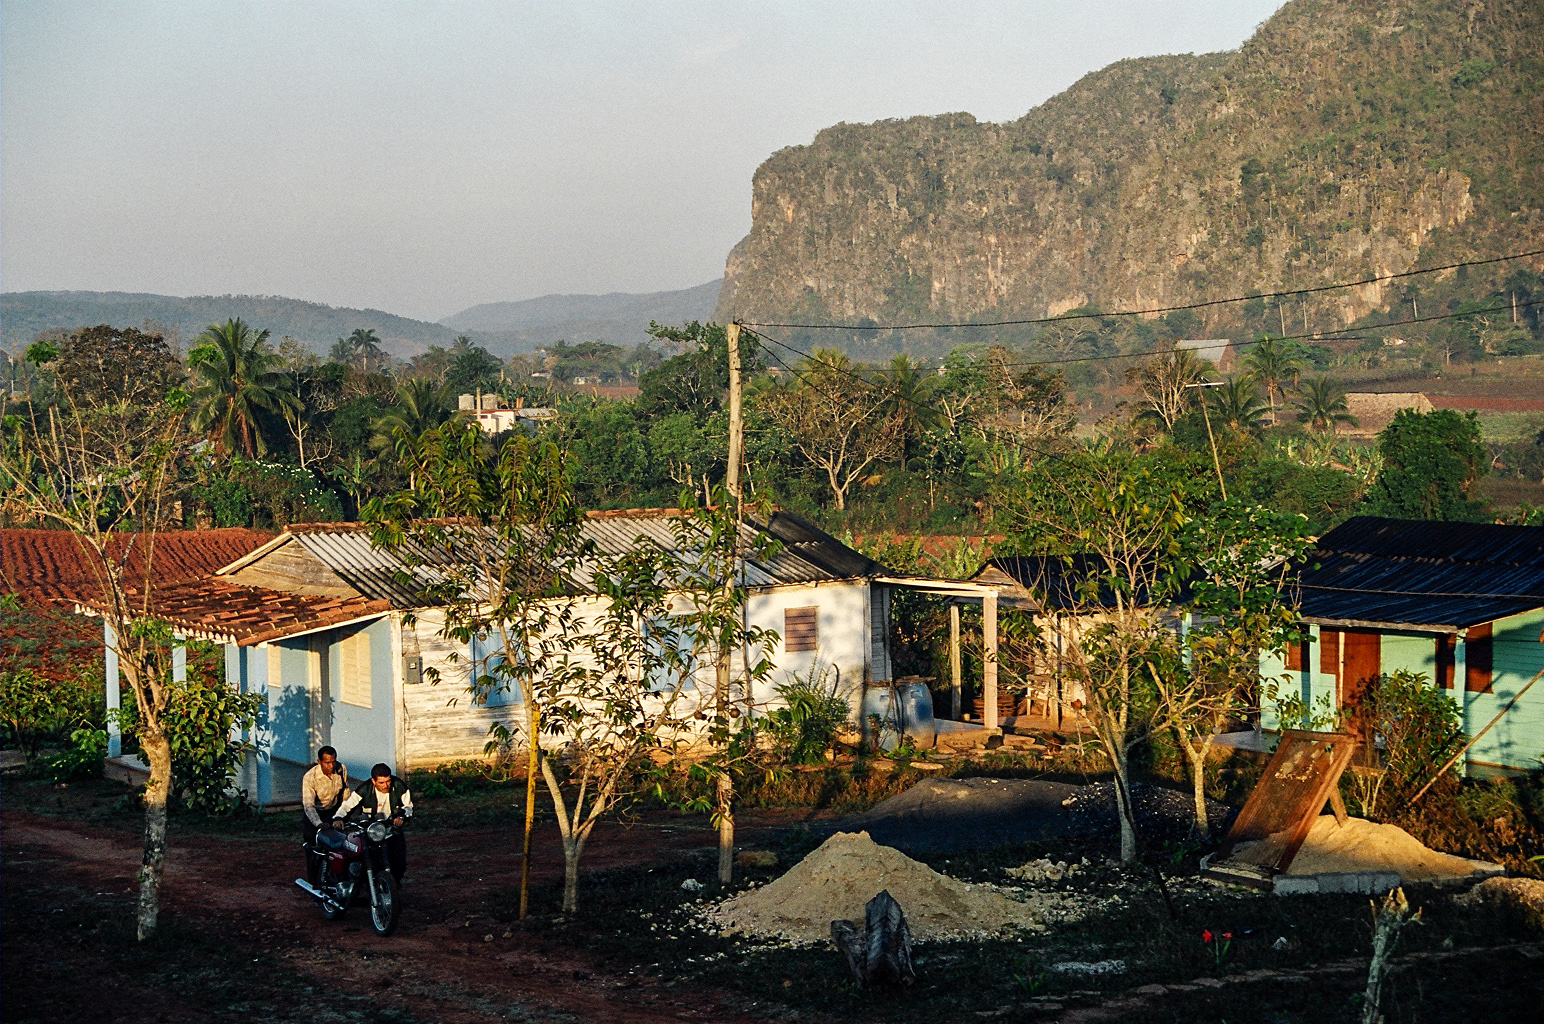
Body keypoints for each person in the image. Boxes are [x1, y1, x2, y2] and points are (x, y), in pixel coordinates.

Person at [333, 762, 413, 882]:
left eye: (388, 781)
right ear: (373, 781)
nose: (386, 785)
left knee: (399, 863)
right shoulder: (364, 789)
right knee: (369, 862)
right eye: (381, 782)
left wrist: (401, 817)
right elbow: (347, 805)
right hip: (371, 832)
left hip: (391, 830)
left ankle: (392, 890)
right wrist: (338, 818)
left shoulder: (399, 785)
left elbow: (409, 807)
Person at [300, 746, 348, 879]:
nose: (331, 765)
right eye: (327, 762)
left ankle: (337, 880)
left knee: (340, 847)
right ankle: (315, 884)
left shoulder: (341, 769)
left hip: (333, 812)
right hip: (315, 815)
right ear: (319, 761)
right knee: (314, 851)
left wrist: (342, 815)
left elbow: (345, 792)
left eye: (333, 761)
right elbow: (309, 805)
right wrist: (319, 824)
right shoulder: (310, 777)